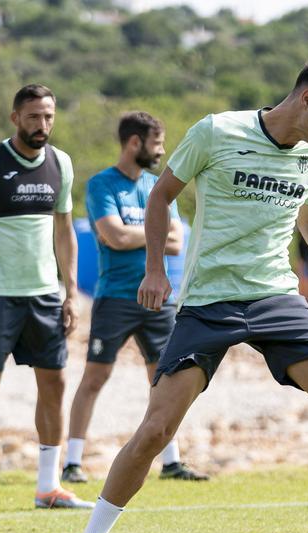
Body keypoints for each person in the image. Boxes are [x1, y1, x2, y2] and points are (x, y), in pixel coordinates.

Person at [38, 57, 308, 533]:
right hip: (209, 301)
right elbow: (161, 197)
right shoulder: (217, 131)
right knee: (157, 429)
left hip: (276, 299)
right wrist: (154, 270)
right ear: (307, 99)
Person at [0, 84, 93, 515]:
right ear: (15, 118)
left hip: (46, 297)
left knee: (55, 385)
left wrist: (71, 291)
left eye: (48, 116)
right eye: (33, 117)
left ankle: (48, 487)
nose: (42, 125)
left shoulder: (61, 163)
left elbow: (64, 230)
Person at [61, 112, 208, 484]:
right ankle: (72, 462)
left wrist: (136, 232)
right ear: (134, 143)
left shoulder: (159, 185)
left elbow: (176, 242)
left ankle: (171, 462)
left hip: (160, 300)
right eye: (156, 145)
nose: (161, 152)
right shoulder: (101, 185)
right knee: (94, 377)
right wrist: (151, 230)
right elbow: (114, 237)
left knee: (165, 380)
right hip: (115, 298)